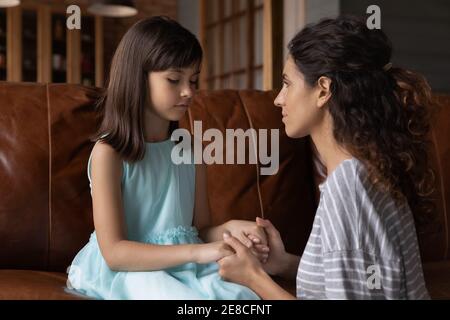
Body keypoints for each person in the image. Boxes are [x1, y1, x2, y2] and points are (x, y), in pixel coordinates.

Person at [218, 15, 436, 300]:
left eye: (287, 84)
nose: (278, 99)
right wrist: (284, 264)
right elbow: (354, 282)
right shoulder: (369, 170)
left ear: (323, 90)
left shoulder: (347, 190)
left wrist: (253, 278)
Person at [67, 16, 268, 300]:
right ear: (137, 78)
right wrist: (199, 252)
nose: (189, 92)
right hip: (130, 269)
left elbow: (200, 229)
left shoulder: (189, 150)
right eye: (174, 79)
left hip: (184, 264)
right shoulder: (109, 154)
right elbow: (114, 252)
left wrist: (230, 231)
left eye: (193, 80)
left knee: (242, 296)